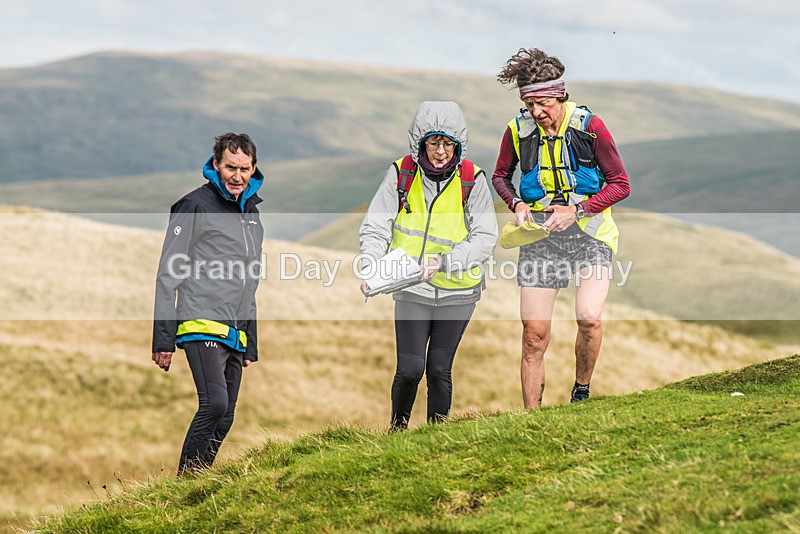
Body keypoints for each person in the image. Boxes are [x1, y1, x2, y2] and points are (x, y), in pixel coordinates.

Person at [492, 48, 630, 408]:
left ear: (559, 95)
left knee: (588, 317)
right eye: (529, 103)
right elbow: (501, 176)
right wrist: (517, 203)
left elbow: (620, 184)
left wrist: (578, 209)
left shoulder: (590, 126)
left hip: (591, 236)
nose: (536, 111)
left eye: (543, 102)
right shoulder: (517, 131)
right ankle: (532, 420)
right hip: (541, 237)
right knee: (534, 336)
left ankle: (581, 391)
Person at [359, 101, 498, 430]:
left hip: (459, 292)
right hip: (411, 287)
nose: (440, 151)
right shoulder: (401, 173)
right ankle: (397, 431)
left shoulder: (472, 180)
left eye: (448, 143)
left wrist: (446, 262)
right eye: (433, 142)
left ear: (458, 144)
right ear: (420, 142)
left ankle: (436, 438)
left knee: (438, 369)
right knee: (409, 369)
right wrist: (371, 269)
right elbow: (376, 227)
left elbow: (485, 237)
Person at [151, 132, 265, 474]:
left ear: (254, 169)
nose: (237, 176)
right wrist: (163, 339)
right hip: (199, 320)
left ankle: (198, 481)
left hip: (235, 329)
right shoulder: (194, 205)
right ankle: (183, 484)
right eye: (230, 167)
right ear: (216, 165)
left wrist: (251, 342)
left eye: (244, 169)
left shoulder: (252, 215)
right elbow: (166, 275)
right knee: (214, 403)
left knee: (226, 415)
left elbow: (251, 281)